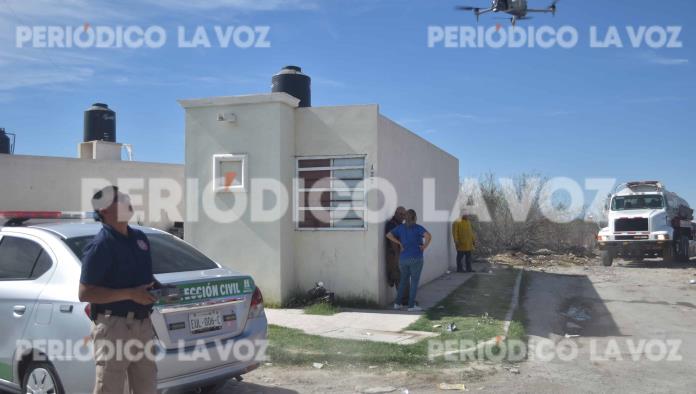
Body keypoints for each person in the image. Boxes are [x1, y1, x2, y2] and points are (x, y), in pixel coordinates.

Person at [78, 186, 158, 394]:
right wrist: (131, 294)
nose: (127, 200)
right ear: (104, 210)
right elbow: (85, 293)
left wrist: (160, 290)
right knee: (110, 388)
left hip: (143, 325)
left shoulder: (140, 238)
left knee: (147, 387)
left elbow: (143, 278)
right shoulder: (100, 246)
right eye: (119, 198)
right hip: (113, 327)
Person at [386, 209, 431, 312]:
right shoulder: (418, 228)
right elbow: (428, 236)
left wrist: (400, 243)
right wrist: (424, 246)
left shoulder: (400, 228)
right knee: (414, 282)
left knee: (403, 281)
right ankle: (411, 306)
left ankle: (397, 303)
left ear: (405, 217)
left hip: (403, 259)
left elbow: (388, 235)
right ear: (415, 217)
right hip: (416, 258)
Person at [385, 206, 409, 305]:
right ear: (395, 213)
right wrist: (398, 255)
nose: (402, 216)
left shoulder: (401, 225)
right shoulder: (392, 224)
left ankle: (406, 299)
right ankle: (404, 300)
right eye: (400, 214)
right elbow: (393, 241)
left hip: (402, 254)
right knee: (400, 276)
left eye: (404, 214)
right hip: (395, 254)